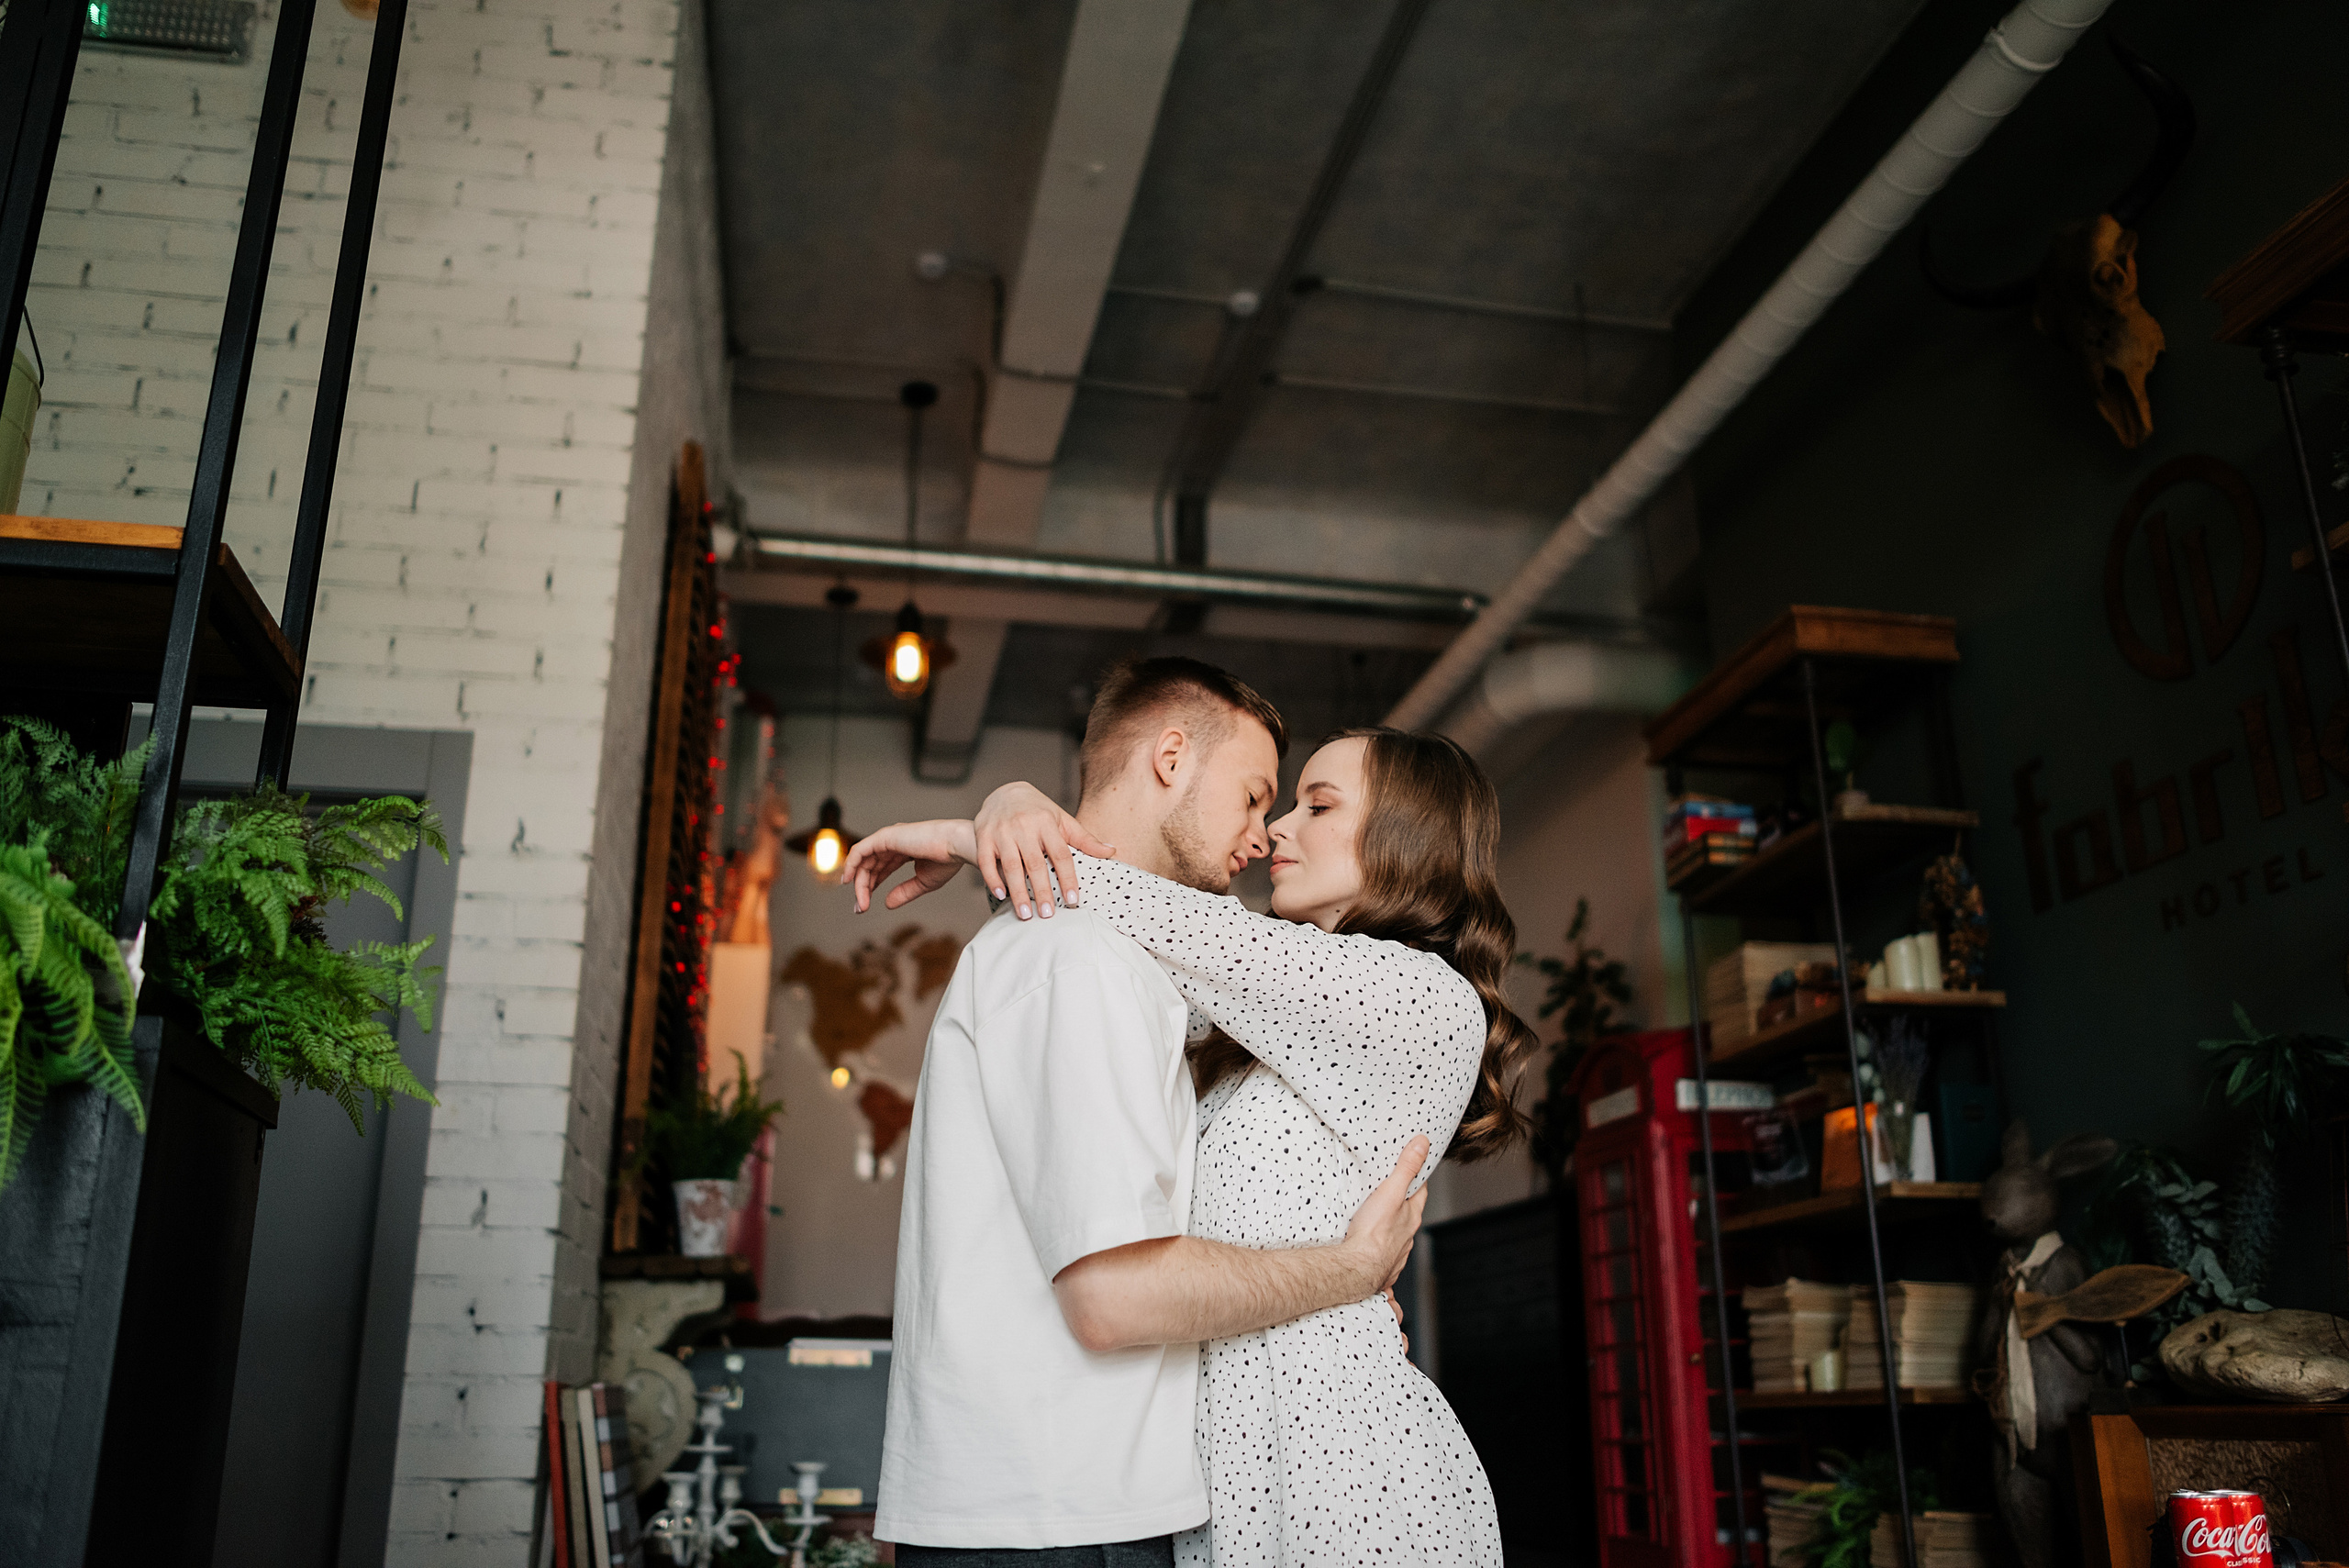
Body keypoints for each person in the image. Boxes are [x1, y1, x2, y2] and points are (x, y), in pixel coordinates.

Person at [851, 714, 1531, 1567]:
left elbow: (1150, 912)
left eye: (1316, 805)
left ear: (1407, 840)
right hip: (1222, 1465)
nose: (1279, 825)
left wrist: (979, 827)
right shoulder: (1263, 1022)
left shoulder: (1422, 998)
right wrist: (1010, 808)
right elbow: (1097, 933)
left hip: (1340, 1465)